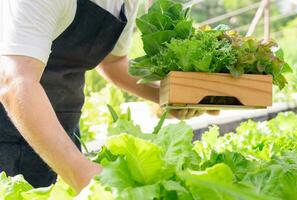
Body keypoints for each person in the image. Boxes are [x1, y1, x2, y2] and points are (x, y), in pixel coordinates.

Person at [0, 0, 216, 192]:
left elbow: (113, 62)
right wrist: (82, 173)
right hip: (8, 128)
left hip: (63, 128)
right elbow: (16, 81)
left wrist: (168, 95)